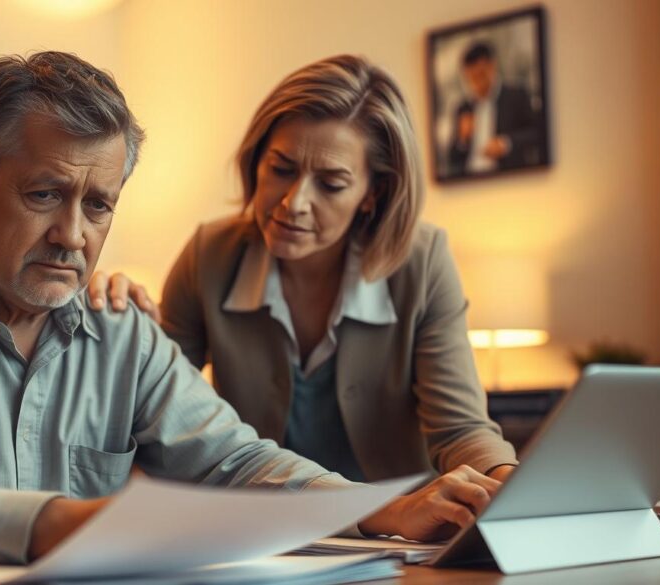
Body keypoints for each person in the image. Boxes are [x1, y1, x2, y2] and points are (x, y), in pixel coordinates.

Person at [0, 51, 503, 566]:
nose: (73, 235)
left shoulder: (122, 331)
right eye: (44, 194)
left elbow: (234, 458)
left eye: (98, 205)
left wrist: (370, 505)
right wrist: (54, 522)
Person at [91, 54, 518, 486]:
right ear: (256, 161)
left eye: (331, 184)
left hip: (400, 531)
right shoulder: (209, 256)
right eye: (281, 169)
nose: (293, 203)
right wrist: (122, 324)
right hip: (261, 529)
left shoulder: (423, 263)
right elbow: (155, 414)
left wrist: (510, 485)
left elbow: (460, 430)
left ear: (374, 193)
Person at [447, 42, 542, 176]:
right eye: (471, 78)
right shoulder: (463, 108)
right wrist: (462, 139)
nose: (476, 83)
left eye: (480, 75)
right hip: (470, 181)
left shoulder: (516, 95)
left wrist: (506, 144)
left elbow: (536, 133)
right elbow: (452, 158)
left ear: (492, 66)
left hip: (508, 177)